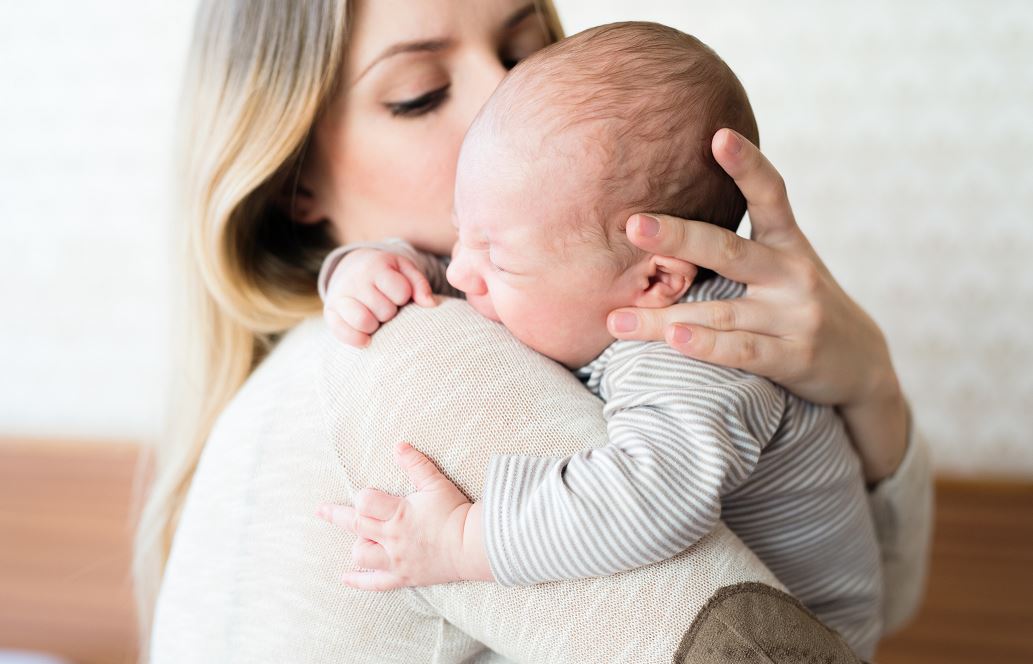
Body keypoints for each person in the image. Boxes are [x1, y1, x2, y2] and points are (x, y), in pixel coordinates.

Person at [136, 1, 932, 662]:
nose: (503, 97)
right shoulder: (418, 353)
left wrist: (863, 380)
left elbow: (860, 607)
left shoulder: (665, 345)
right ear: (295, 180)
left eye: (528, 47)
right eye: (419, 92)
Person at [314, 22, 883, 659]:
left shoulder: (698, 353)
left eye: (497, 257)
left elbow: (648, 499)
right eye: (459, 231)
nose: (460, 270)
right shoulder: (568, 267)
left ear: (656, 279)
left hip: (797, 626)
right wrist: (372, 268)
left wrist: (462, 539)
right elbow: (465, 269)